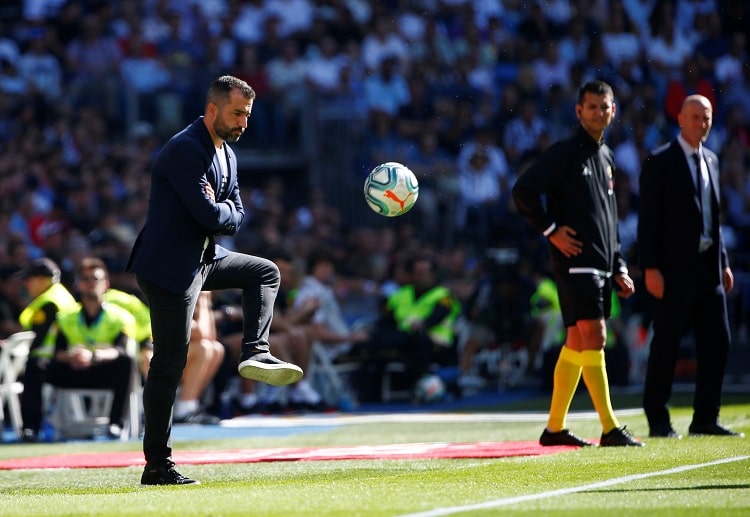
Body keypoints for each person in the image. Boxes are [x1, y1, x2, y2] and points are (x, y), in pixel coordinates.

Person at [127, 75, 303, 486]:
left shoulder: (226, 153)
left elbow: (235, 214)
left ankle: (255, 353)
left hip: (201, 258)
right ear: (212, 110)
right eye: (237, 113)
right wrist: (222, 209)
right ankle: (156, 465)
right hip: (169, 268)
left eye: (248, 114)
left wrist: (220, 206)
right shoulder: (185, 150)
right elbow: (214, 218)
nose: (244, 121)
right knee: (169, 363)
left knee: (265, 271)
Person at [512, 80, 643, 447]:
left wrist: (618, 264)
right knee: (596, 336)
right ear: (578, 111)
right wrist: (551, 229)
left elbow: (608, 217)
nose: (599, 113)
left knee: (575, 340)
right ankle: (610, 428)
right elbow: (522, 191)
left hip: (600, 262)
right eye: (592, 107)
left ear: (613, 111)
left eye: (605, 107)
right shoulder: (565, 152)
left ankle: (554, 429)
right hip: (575, 261)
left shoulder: (607, 156)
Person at [637, 94, 743, 439]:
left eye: (707, 117)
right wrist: (650, 267)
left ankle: (705, 418)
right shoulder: (660, 161)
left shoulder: (711, 159)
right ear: (680, 119)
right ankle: (658, 419)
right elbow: (649, 221)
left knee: (718, 340)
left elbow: (714, 220)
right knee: (666, 342)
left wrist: (723, 262)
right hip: (672, 270)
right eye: (695, 117)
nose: (702, 123)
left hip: (707, 266)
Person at [22, 257, 136, 440]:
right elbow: (55, 349)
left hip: (103, 372)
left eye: (95, 278)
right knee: (36, 363)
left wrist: (93, 356)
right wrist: (70, 357)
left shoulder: (119, 317)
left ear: (106, 284)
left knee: (127, 362)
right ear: (78, 285)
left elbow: (120, 349)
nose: (90, 283)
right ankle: (31, 428)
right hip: (72, 370)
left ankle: (116, 424)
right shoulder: (65, 317)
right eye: (85, 279)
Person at [17, 258, 78, 443]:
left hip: (52, 360)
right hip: (69, 357)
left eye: (29, 279)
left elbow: (38, 339)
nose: (25, 283)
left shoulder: (49, 302)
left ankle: (31, 427)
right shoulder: (62, 295)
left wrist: (14, 350)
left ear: (42, 279)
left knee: (33, 367)